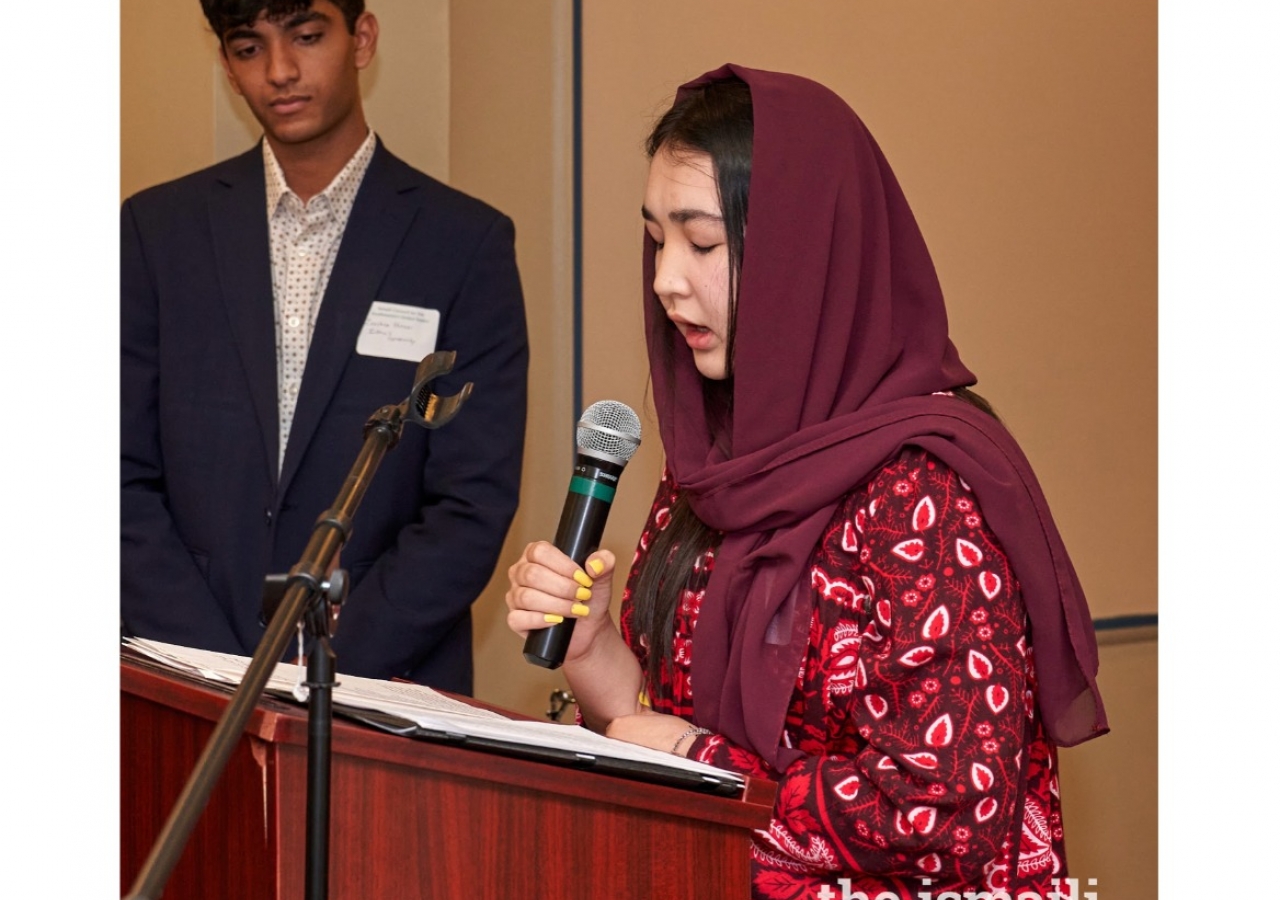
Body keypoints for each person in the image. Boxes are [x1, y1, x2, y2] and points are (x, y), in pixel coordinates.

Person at [506, 64, 1107, 898]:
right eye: (657, 239)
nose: (665, 279)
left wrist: (700, 761)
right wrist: (595, 650)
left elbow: (951, 815)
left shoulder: (922, 491)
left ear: (804, 252)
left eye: (703, 243)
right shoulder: (714, 462)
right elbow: (659, 717)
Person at [121, 0, 528, 694]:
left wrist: (314, 666)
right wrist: (218, 670)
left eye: (307, 38)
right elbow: (115, 475)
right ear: (226, 65)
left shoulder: (462, 245)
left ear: (361, 38)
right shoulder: (157, 233)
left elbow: (471, 503)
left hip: (381, 687)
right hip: (184, 679)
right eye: (250, 49)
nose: (280, 71)